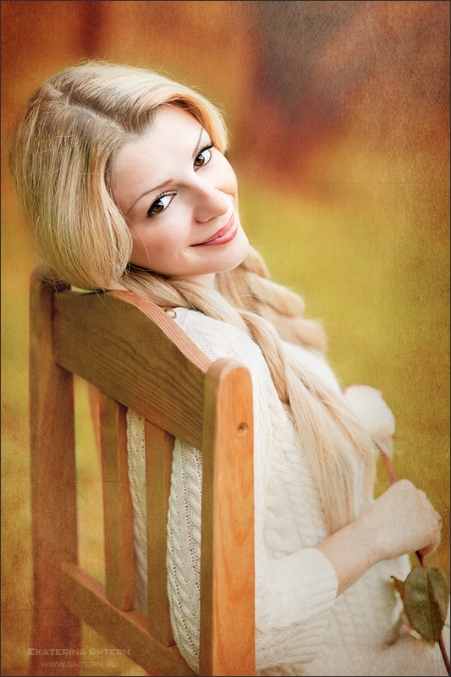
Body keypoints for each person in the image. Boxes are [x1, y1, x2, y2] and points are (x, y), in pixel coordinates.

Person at [9, 61, 448, 676]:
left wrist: (340, 418)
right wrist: (381, 532)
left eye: (202, 156)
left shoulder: (165, 317)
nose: (215, 201)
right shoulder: (213, 360)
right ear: (103, 238)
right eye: (161, 202)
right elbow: (235, 630)